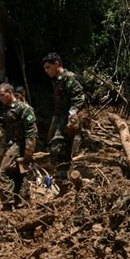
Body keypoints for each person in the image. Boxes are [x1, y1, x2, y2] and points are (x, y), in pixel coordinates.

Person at [42, 53, 85, 188]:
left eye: (48, 67)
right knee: (58, 148)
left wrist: (72, 115)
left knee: (60, 148)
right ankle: (63, 182)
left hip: (70, 118)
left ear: (56, 64)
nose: (46, 71)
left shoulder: (68, 78)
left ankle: (66, 181)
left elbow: (79, 96)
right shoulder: (57, 81)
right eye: (45, 69)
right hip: (60, 117)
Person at [0, 83, 38, 210]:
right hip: (11, 144)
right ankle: (21, 201)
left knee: (2, 172)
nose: (1, 98)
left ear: (10, 92)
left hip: (20, 144)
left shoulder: (24, 108)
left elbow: (31, 132)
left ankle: (8, 204)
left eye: (3, 95)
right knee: (18, 173)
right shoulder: (7, 108)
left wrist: (28, 153)